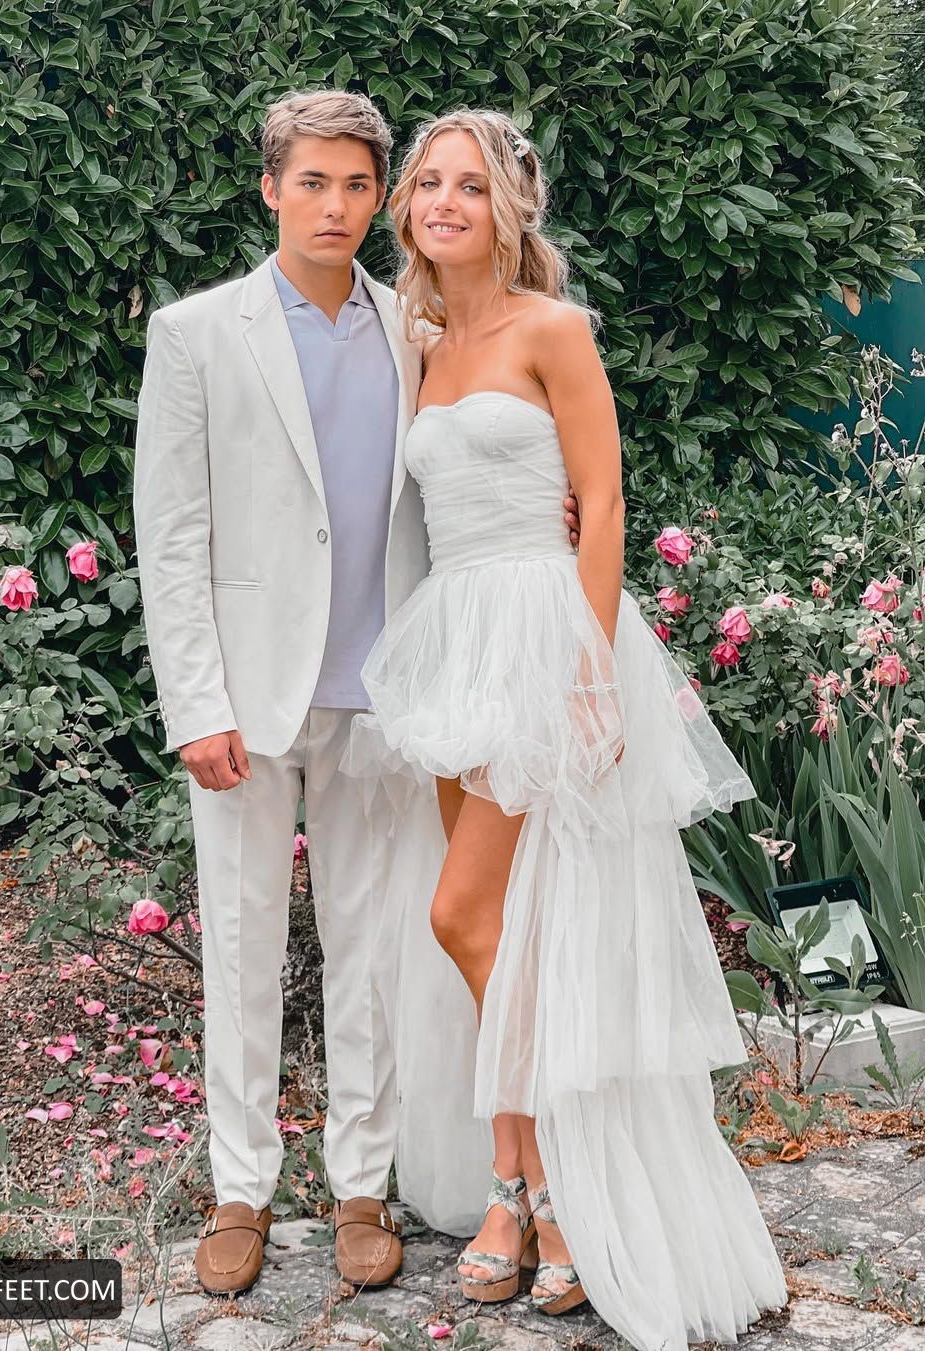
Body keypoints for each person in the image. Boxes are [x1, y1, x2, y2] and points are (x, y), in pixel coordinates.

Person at [340, 109, 789, 1351]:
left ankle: (547, 1186)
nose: (442, 201)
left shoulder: (554, 329)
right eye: (427, 183)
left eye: (468, 185)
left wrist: (589, 674)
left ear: (509, 208)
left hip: (545, 632)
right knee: (502, 925)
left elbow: (603, 502)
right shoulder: (419, 340)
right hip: (454, 637)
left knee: (464, 915)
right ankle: (525, 1186)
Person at [132, 90, 582, 1297]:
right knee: (241, 943)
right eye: (311, 182)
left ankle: (360, 1187)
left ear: (378, 198)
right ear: (270, 189)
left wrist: (551, 509)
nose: (333, 205)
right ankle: (241, 1189)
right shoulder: (196, 333)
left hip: (386, 691)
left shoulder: (414, 327)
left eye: (354, 185)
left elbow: (469, 467)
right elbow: (169, 536)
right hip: (244, 700)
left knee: (371, 950)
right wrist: (196, 703)